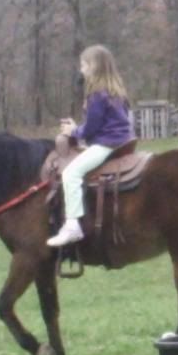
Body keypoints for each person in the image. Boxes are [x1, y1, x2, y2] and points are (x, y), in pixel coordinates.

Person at [47, 44, 135, 247]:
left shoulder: (97, 94)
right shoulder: (115, 90)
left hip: (106, 144)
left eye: (84, 65)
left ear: (94, 66)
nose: (81, 69)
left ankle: (72, 225)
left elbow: (90, 130)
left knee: (71, 174)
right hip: (121, 141)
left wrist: (72, 131)